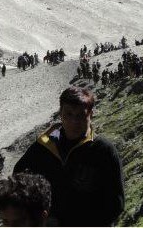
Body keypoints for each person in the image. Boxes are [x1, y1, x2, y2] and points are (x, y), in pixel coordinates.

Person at [13, 87, 124, 226]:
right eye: (69, 114)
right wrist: (39, 216)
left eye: (80, 115)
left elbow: (115, 204)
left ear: (91, 114)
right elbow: (19, 178)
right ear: (60, 114)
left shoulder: (103, 151)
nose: (74, 121)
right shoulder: (45, 145)